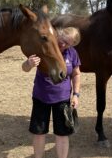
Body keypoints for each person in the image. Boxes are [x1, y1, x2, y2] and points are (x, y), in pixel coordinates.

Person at [22, 27, 81, 158]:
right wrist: (28, 63)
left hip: (63, 99)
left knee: (62, 134)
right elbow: (24, 68)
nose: (63, 44)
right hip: (41, 97)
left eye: (68, 43)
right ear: (59, 34)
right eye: (63, 40)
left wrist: (76, 95)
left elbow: (76, 74)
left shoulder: (72, 53)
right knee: (39, 133)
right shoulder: (44, 48)